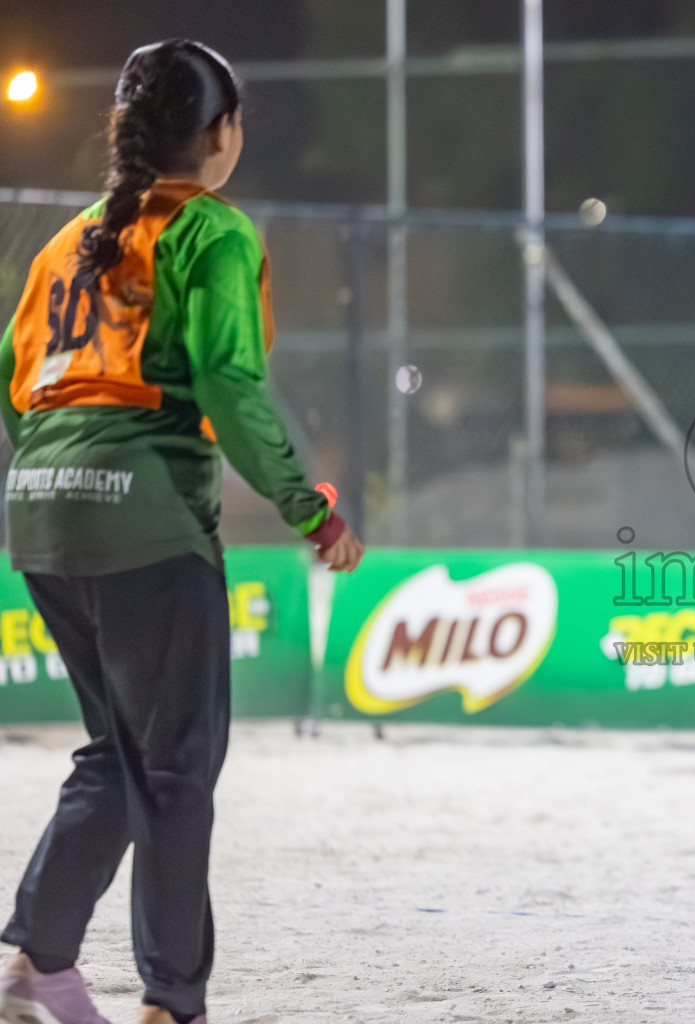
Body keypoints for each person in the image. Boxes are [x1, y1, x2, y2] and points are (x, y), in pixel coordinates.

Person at [0, 40, 364, 1024]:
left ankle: (37, 957)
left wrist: (56, 475)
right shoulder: (212, 233)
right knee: (173, 768)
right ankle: (172, 1001)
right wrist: (310, 508)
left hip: (39, 514)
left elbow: (11, 376)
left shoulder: (61, 243)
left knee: (119, 753)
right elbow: (228, 382)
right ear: (221, 133)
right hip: (145, 517)